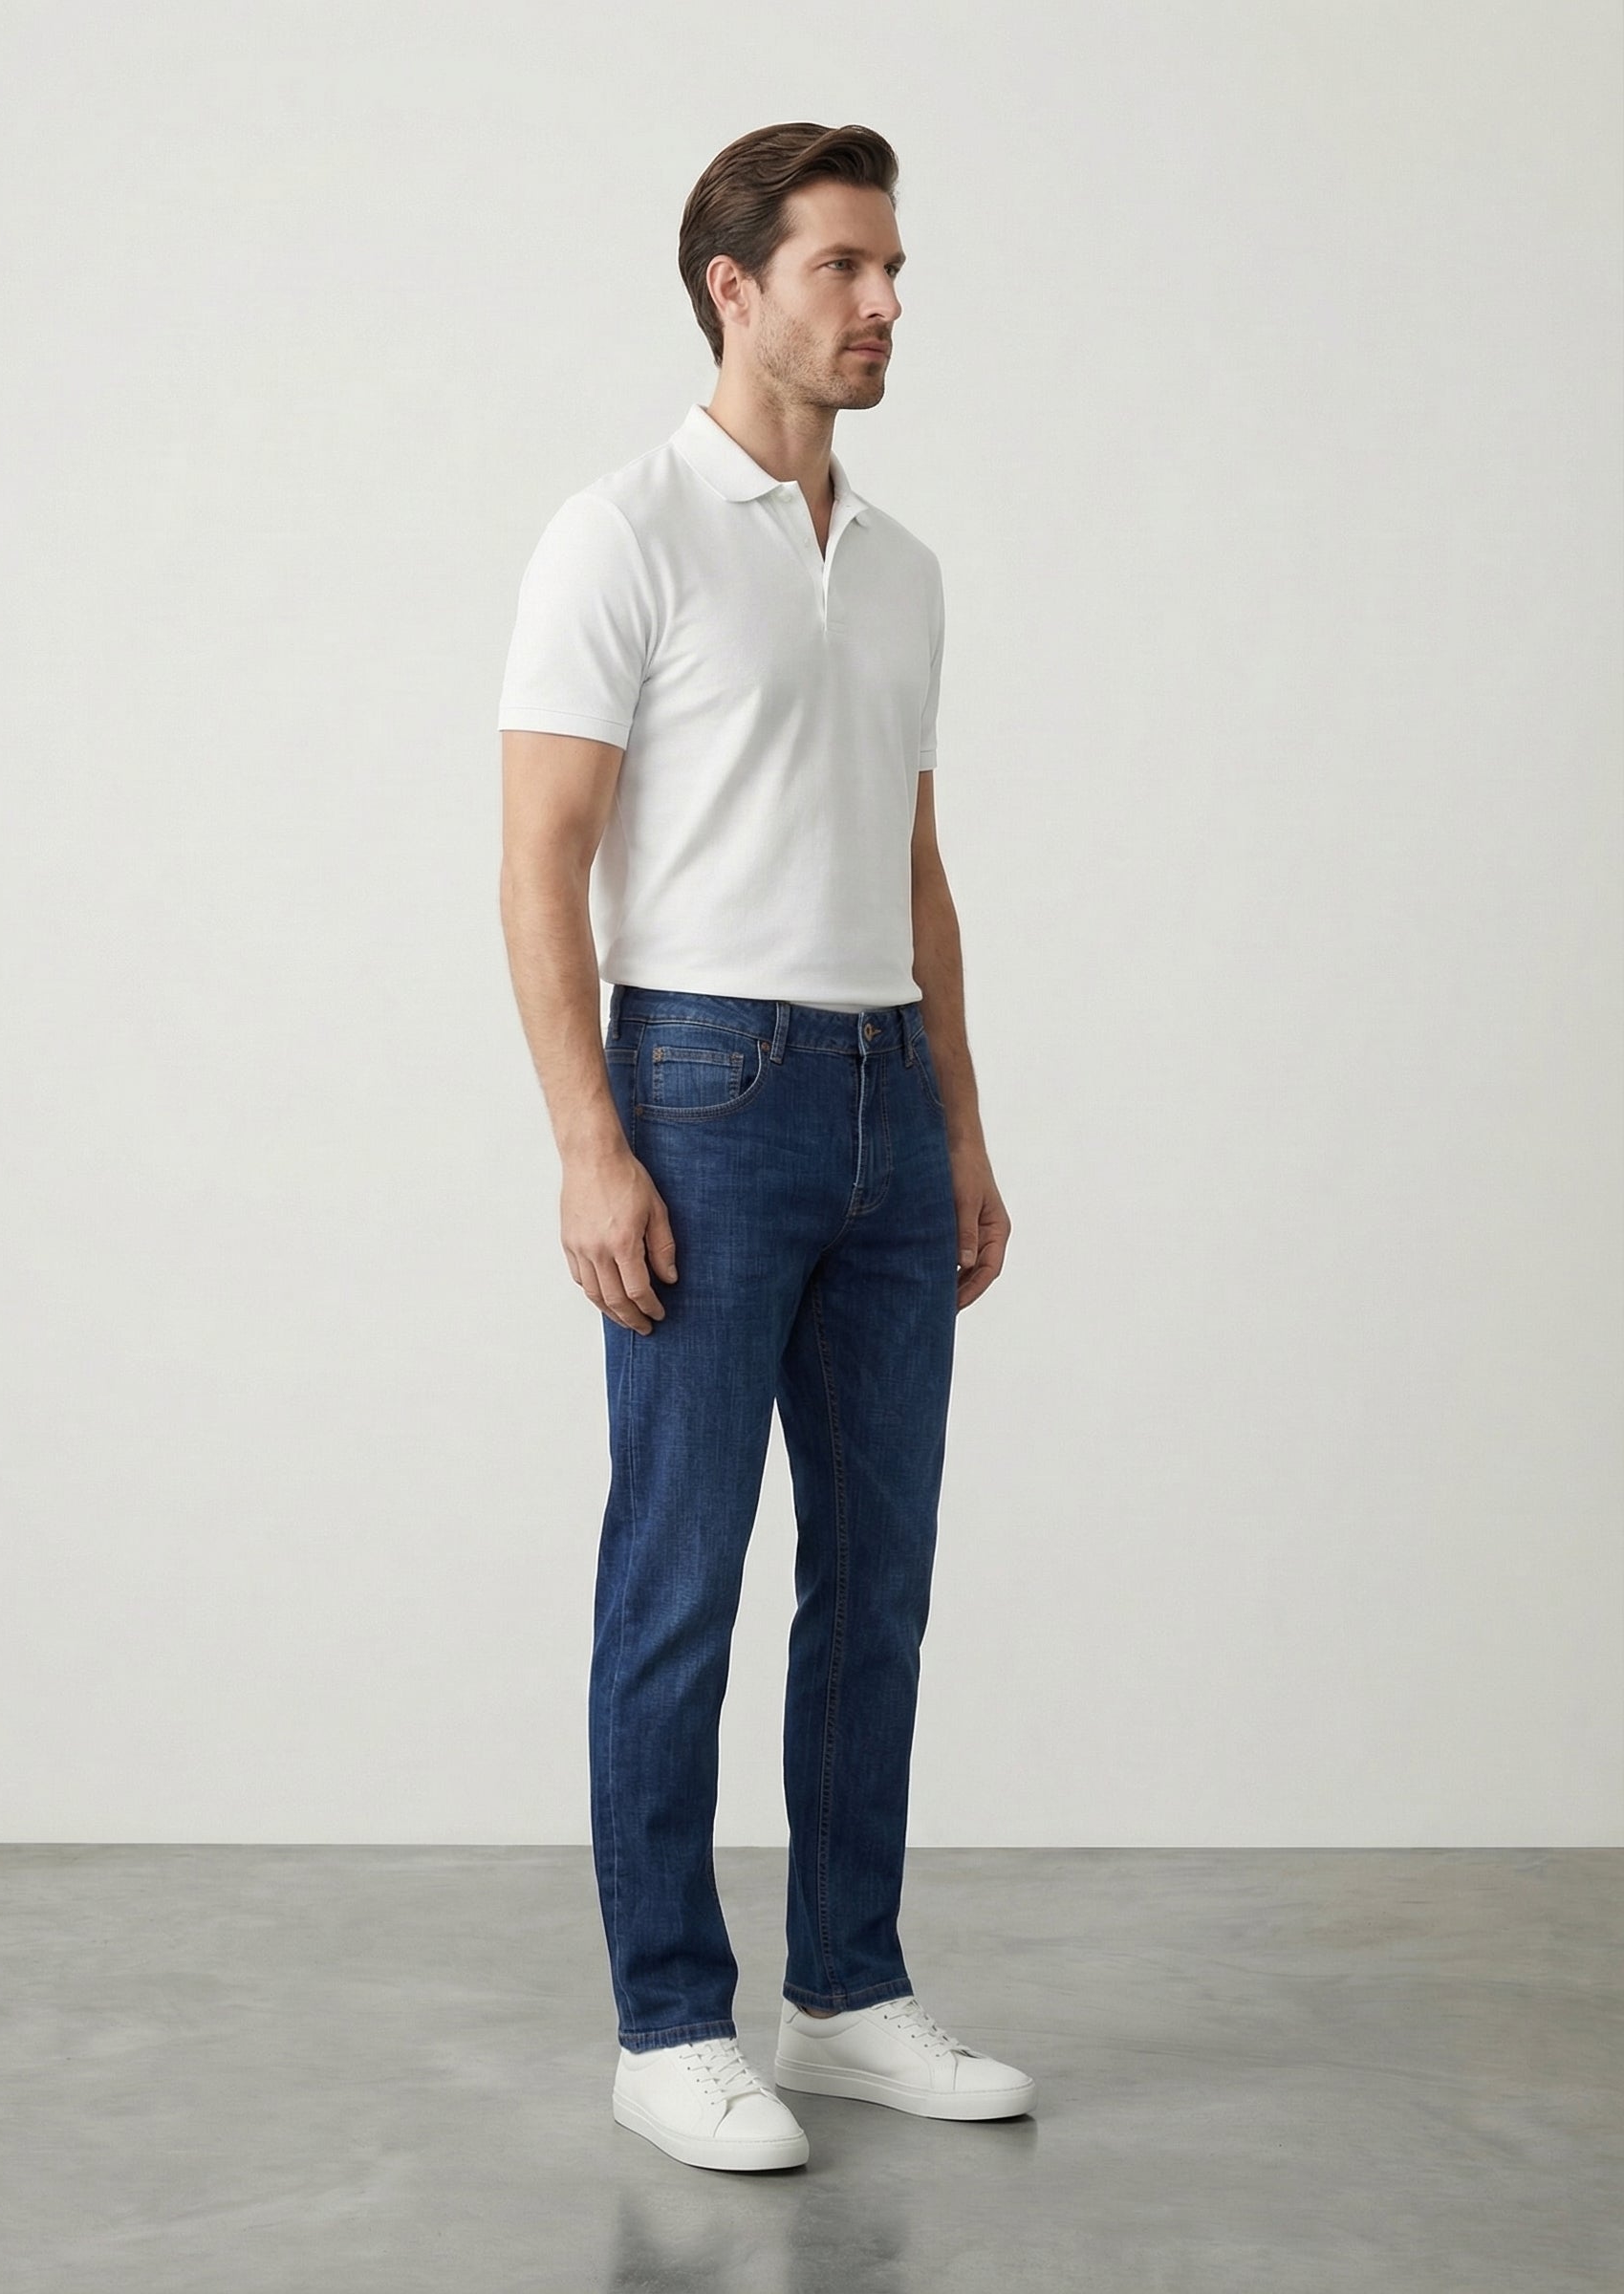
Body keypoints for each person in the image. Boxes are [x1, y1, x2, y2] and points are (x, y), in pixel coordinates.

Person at [496, 120, 1031, 2174]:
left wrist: (961, 1126)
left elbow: (915, 865)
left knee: (876, 1585)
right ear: (733, 285)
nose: (884, 304)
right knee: (679, 1577)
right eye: (843, 268)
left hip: (888, 1096)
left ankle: (846, 1991)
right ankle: (664, 2023)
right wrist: (588, 1143)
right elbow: (541, 861)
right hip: (702, 1092)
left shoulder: (900, 567)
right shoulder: (618, 533)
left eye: (894, 270)